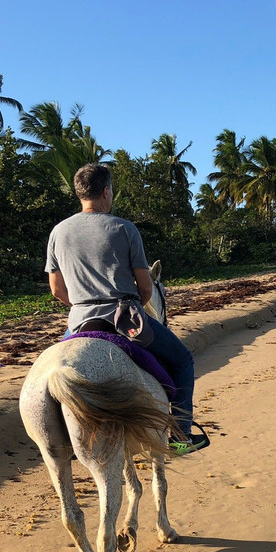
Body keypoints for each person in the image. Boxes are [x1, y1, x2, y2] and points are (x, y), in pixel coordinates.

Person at [46, 163, 208, 455]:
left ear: (79, 192)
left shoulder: (58, 232)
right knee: (183, 360)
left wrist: (83, 303)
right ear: (106, 191)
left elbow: (57, 289)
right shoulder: (124, 228)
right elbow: (146, 288)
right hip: (125, 319)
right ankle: (182, 435)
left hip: (80, 320)